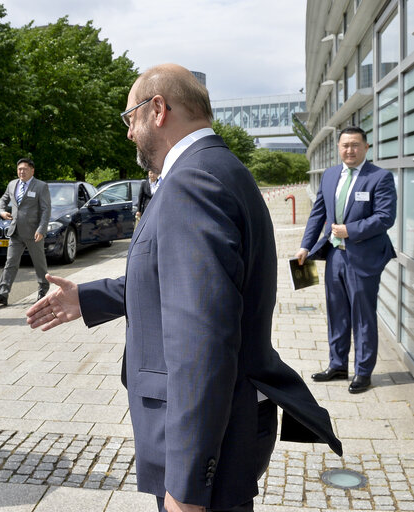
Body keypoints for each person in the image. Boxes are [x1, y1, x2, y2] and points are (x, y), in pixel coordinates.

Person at [27, 64, 342, 512]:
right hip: (229, 427)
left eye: (129, 119)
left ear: (157, 109)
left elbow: (202, 340)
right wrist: (87, 297)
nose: (129, 133)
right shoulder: (219, 168)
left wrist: (188, 485)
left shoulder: (191, 182)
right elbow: (176, 280)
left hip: (204, 446)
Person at [295, 126, 396, 394]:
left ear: (366, 147)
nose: (349, 150)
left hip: (364, 258)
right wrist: (305, 246)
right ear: (338, 148)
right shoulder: (329, 176)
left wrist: (351, 230)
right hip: (335, 255)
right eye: (344, 145)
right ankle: (338, 365)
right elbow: (318, 214)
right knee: (336, 312)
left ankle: (363, 372)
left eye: (354, 145)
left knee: (363, 315)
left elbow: (385, 217)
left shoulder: (380, 177)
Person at [0, 158, 51, 306]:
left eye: (24, 169)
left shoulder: (41, 186)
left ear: (32, 170)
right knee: (10, 262)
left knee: (39, 264)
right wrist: (2, 211)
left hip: (33, 232)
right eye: (19, 169)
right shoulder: (12, 184)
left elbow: (46, 210)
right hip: (15, 231)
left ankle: (43, 289)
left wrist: (41, 229)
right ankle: (2, 293)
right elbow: (3, 200)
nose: (21, 172)